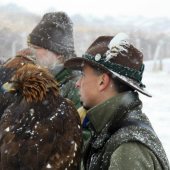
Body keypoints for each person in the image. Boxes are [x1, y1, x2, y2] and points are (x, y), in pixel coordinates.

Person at [64, 33, 170, 170]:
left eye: (83, 75)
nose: (77, 83)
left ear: (102, 81)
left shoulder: (128, 148)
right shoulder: (108, 129)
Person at [27, 12, 81, 109]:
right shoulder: (35, 78)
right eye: (30, 48)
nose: (31, 53)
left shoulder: (78, 86)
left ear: (59, 53)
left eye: (36, 48)